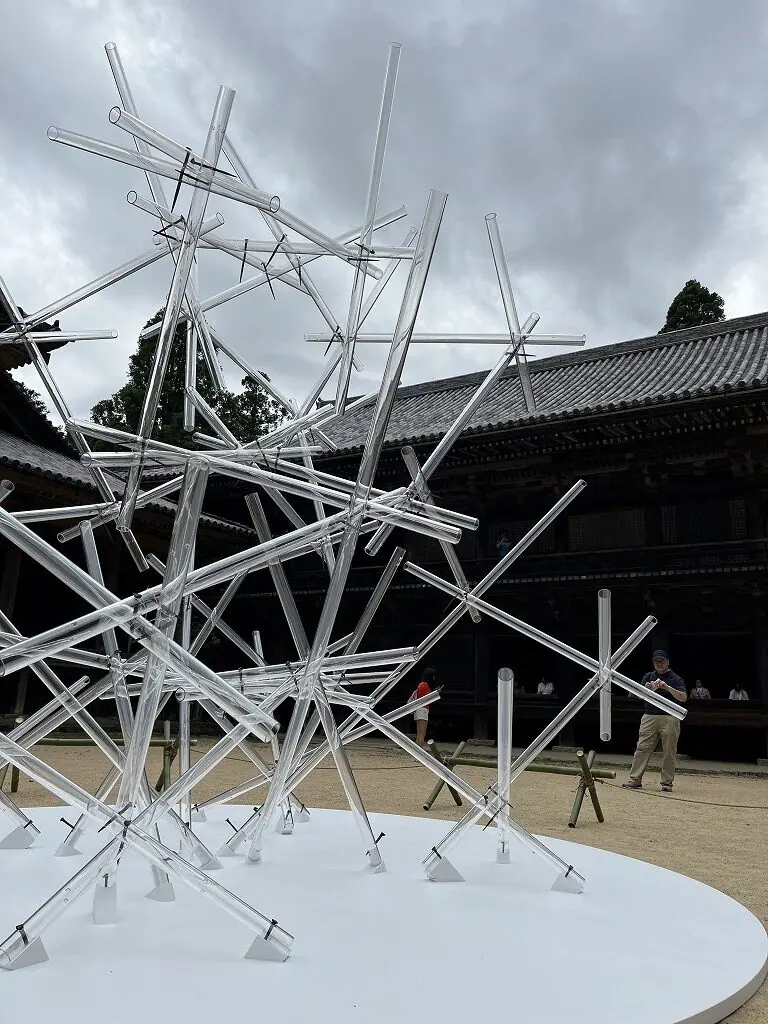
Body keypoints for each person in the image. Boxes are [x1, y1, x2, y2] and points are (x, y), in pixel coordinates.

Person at [623, 650, 687, 792]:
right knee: (642, 748)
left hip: (670, 717)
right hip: (649, 716)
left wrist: (667, 687)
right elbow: (639, 696)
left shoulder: (676, 679)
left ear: (667, 661)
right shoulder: (648, 676)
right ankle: (635, 779)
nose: (659, 664)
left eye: (662, 661)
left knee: (669, 751)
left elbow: (683, 697)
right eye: (656, 661)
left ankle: (666, 783)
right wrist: (647, 689)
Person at [410, 667, 435, 748]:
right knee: (422, 733)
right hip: (423, 709)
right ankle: (420, 751)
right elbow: (426, 699)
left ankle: (418, 751)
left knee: (419, 733)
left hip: (419, 710)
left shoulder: (421, 684)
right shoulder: (425, 685)